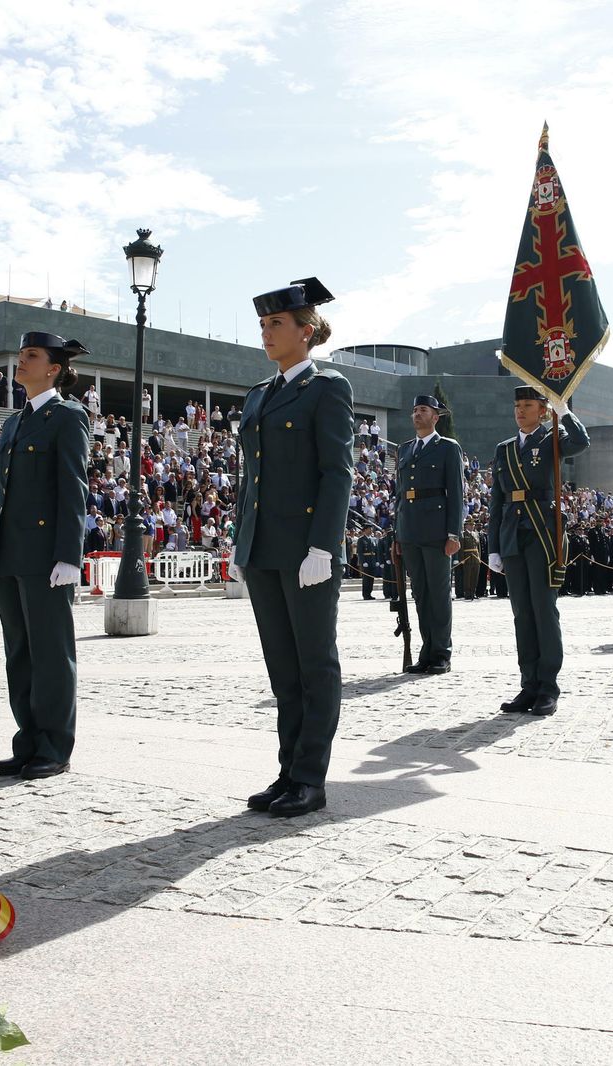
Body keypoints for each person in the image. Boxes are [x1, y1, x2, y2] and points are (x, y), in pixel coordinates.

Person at [231, 278, 352, 818]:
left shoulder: (327, 388)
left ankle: (310, 778)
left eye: (275, 324)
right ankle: (287, 772)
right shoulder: (259, 394)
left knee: (314, 665)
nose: (266, 333)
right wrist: (241, 544)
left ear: (307, 331)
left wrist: (323, 545)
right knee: (283, 668)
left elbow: (337, 471)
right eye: (262, 325)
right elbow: (249, 481)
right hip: (264, 550)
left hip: (307, 551)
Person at [0, 330, 90, 781]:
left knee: (50, 652)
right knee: (19, 653)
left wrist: (69, 555)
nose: (20, 361)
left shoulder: (68, 417)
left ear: (54, 369)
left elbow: (73, 488)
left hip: (46, 555)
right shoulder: (14, 421)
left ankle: (54, 746)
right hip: (9, 551)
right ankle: (27, 741)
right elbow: (4, 496)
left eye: (31, 355)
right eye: (21, 354)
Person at [487, 384, 590, 716]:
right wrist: (493, 547)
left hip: (542, 534)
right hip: (512, 536)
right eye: (518, 405)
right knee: (522, 614)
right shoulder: (504, 449)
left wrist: (564, 410)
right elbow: (497, 503)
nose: (520, 410)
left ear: (543, 410)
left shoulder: (552, 439)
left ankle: (548, 686)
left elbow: (582, 442)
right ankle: (528, 684)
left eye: (528, 405)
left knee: (544, 611)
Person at [392, 394, 464, 674]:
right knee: (421, 594)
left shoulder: (447, 448)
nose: (417, 414)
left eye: (423, 410)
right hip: (410, 530)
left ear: (436, 416)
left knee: (439, 593)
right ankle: (426, 651)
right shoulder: (405, 449)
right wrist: (397, 535)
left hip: (436, 530)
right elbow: (399, 494)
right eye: (414, 410)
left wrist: (454, 533)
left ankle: (442, 652)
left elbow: (456, 493)